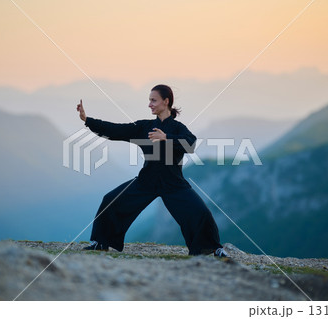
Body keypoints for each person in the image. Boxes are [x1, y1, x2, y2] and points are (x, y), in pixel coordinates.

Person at [76, 84, 229, 257]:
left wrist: (166, 138)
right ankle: (100, 243)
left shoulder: (178, 128)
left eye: (153, 100)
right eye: (149, 100)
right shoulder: (144, 127)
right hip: (146, 181)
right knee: (111, 200)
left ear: (166, 101)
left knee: (200, 212)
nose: (149, 104)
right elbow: (116, 130)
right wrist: (87, 120)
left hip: (173, 183)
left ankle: (213, 249)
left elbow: (191, 144)